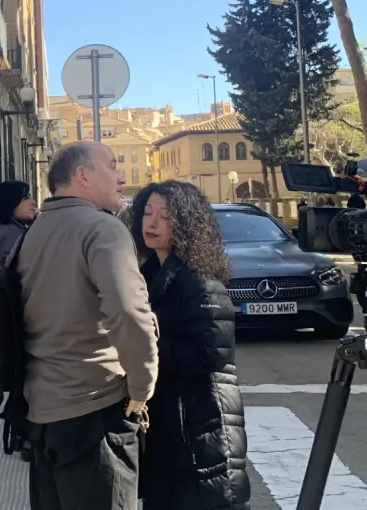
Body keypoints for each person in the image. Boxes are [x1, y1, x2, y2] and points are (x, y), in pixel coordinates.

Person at [15, 141, 159, 510]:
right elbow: (128, 313)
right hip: (95, 410)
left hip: (43, 410)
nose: (121, 177)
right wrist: (142, 387)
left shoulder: (35, 230)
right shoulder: (103, 229)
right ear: (83, 175)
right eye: (112, 166)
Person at [129, 181, 249, 510]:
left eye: (166, 216)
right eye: (148, 213)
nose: (152, 223)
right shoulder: (147, 274)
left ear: (186, 224)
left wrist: (147, 347)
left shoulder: (199, 280)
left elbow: (212, 352)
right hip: (171, 425)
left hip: (201, 424)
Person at [0, 180, 37, 269]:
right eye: (26, 197)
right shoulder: (10, 232)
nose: (33, 202)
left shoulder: (11, 228)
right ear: (12, 203)